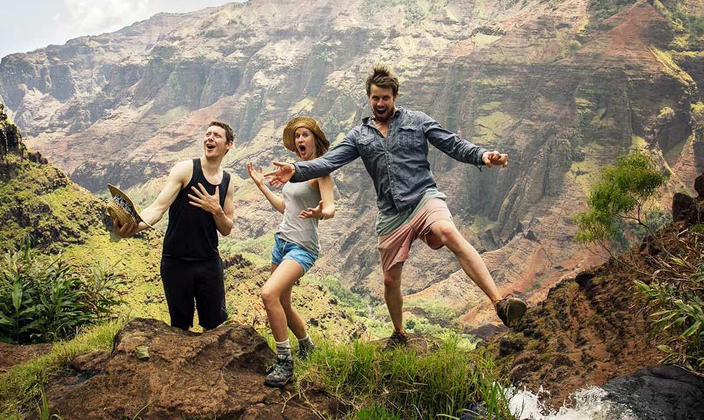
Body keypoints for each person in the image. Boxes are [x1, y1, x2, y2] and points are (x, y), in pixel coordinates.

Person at [265, 65, 527, 347]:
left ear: (395, 96)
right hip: (391, 213)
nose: (380, 103)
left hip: (423, 197)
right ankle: (400, 333)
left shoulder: (418, 121)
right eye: (375, 98)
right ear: (369, 98)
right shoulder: (359, 136)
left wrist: (483, 155)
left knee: (448, 232)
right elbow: (329, 162)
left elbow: (452, 144)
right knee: (390, 281)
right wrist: (295, 169)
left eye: (385, 98)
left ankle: (500, 303)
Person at [114, 121, 235, 332]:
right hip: (176, 262)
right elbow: (158, 208)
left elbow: (226, 229)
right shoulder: (186, 169)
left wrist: (216, 210)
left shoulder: (228, 181)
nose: (210, 138)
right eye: (207, 134)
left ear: (228, 145)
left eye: (216, 135)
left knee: (214, 327)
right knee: (179, 328)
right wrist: (134, 226)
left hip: (208, 262)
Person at [247, 116, 335, 387]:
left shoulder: (321, 172)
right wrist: (262, 186)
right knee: (283, 302)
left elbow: (330, 207)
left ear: (315, 140)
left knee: (268, 293)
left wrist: (322, 212)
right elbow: (287, 208)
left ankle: (285, 361)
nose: (299, 140)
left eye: (305, 135)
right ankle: (307, 346)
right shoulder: (295, 172)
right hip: (282, 242)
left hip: (302, 248)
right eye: (296, 136)